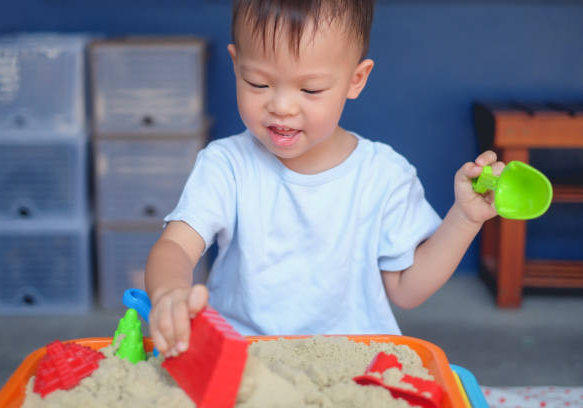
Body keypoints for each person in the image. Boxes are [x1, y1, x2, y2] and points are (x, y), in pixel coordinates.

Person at [145, 0, 503, 358]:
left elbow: (408, 291)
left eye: (310, 89)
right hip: (243, 357)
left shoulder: (383, 175)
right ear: (237, 65)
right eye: (258, 83)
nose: (282, 106)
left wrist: (465, 219)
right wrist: (168, 293)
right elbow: (175, 245)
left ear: (355, 80)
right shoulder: (227, 165)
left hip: (353, 362)